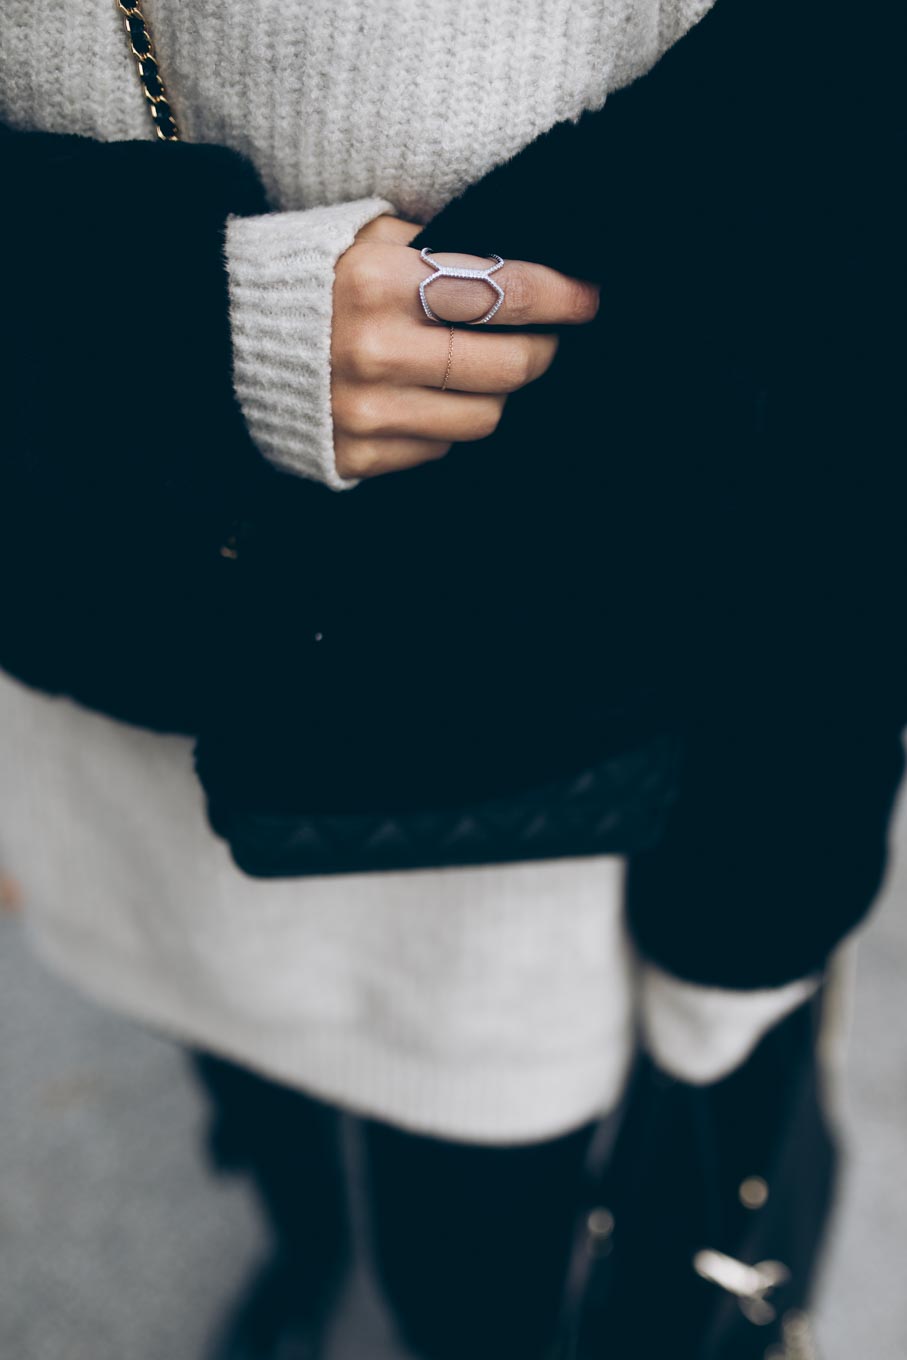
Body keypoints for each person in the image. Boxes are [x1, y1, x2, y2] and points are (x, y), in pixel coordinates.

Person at [1, 2, 904, 1357]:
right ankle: (302, 1245)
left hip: (533, 756)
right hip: (94, 613)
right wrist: (159, 316)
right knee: (249, 1091)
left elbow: (843, 244)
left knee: (482, 1247)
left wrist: (767, 897)